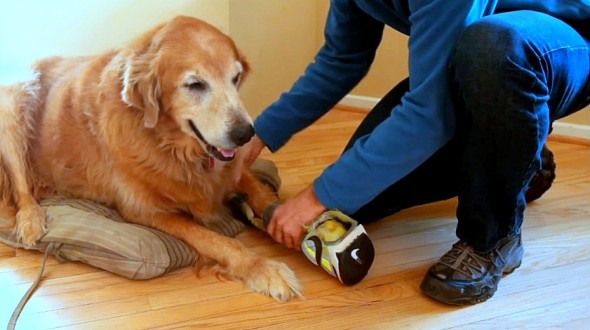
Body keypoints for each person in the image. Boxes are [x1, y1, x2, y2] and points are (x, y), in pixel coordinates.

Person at [244, 1, 590, 305]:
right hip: (476, 60)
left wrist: (316, 196)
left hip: (558, 43)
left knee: (493, 45)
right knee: (358, 199)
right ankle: (520, 154)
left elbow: (428, 116)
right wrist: (258, 135)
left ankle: (492, 238)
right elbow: (342, 58)